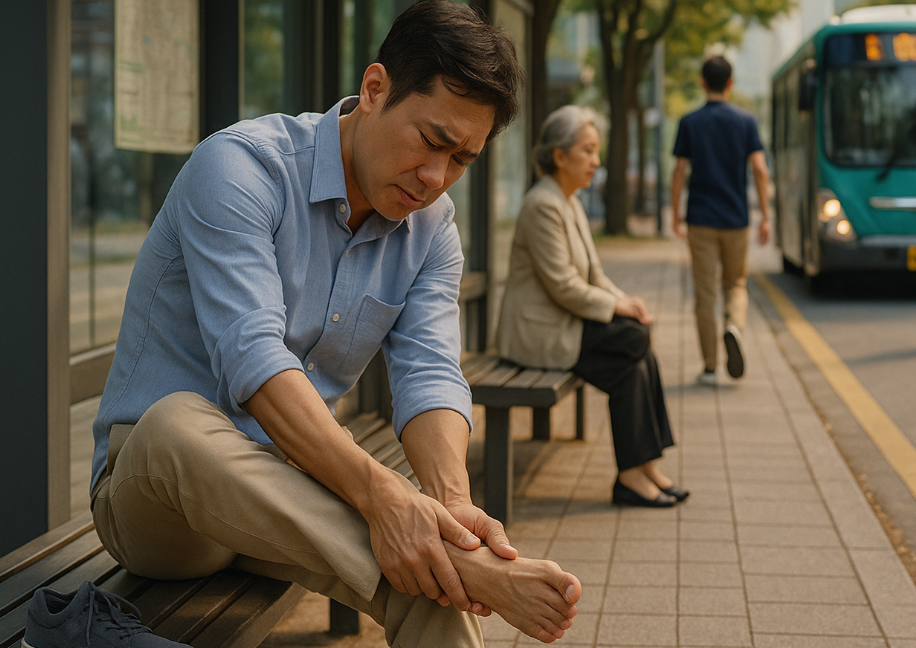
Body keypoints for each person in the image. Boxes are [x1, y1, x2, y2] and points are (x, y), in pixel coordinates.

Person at [85, 2, 582, 647]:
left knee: (423, 562)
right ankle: (465, 566)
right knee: (175, 423)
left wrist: (452, 507)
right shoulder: (241, 168)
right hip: (161, 498)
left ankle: (455, 563)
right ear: (375, 88)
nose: (436, 178)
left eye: (462, 159)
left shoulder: (433, 228)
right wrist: (386, 500)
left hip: (295, 485)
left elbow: (430, 373)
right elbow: (255, 362)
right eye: (432, 141)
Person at [496, 105, 688, 509]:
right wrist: (617, 310)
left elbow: (595, 274)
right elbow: (564, 286)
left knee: (631, 357)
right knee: (634, 341)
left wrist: (625, 302)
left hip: (564, 323)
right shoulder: (542, 204)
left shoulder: (570, 201)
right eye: (588, 151)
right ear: (560, 155)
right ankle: (636, 470)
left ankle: (641, 468)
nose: (596, 162)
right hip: (539, 332)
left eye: (596, 151)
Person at [670, 55, 771, 386]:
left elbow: (679, 171)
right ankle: (734, 325)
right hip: (736, 219)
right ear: (730, 83)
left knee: (705, 293)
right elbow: (758, 168)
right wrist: (766, 217)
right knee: (736, 283)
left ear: (703, 82)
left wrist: (675, 215)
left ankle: (711, 367)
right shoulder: (746, 121)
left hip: (700, 218)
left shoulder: (690, 121)